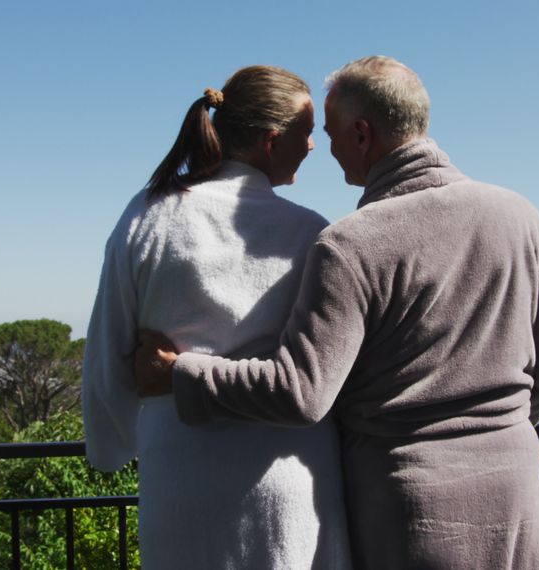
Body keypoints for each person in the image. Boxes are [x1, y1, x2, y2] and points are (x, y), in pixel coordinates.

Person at [134, 56, 539, 569]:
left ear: (363, 134)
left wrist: (180, 374)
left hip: (412, 510)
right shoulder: (519, 215)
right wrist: (499, 436)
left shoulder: (352, 244)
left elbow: (301, 392)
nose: (324, 148)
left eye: (331, 134)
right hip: (519, 496)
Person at [82, 65, 351, 569]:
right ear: (272, 141)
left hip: (179, 478)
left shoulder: (148, 214)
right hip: (285, 480)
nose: (313, 146)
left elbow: (108, 346)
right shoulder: (311, 234)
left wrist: (111, 445)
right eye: (306, 133)